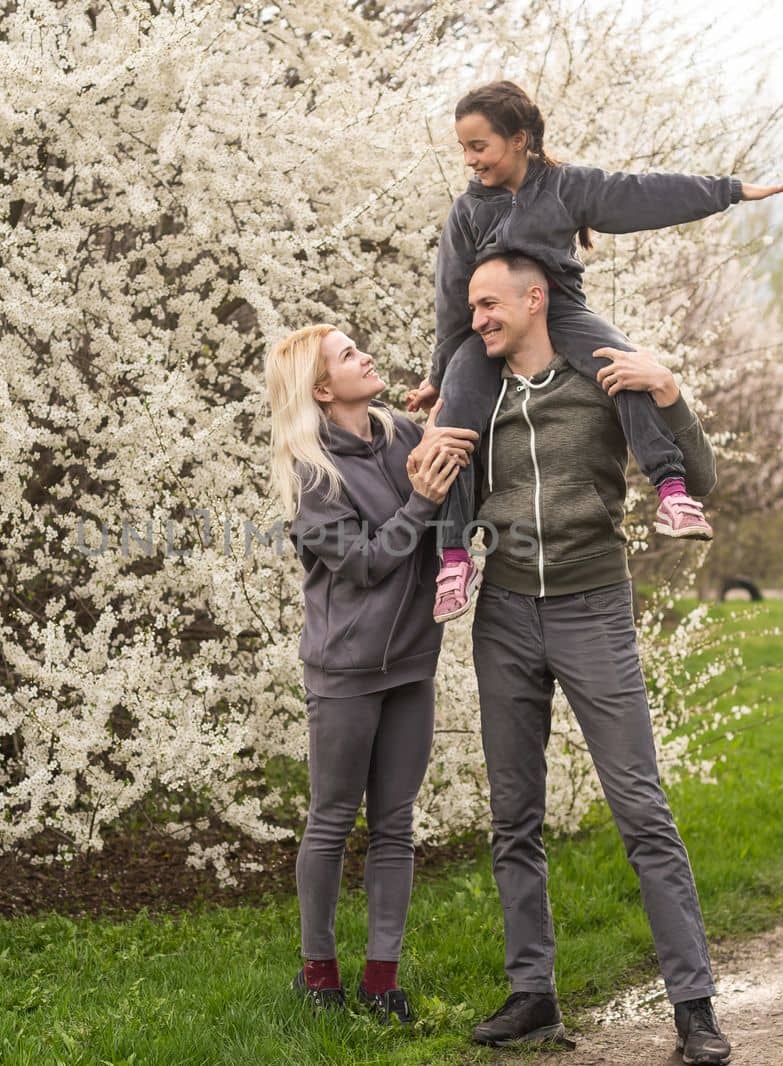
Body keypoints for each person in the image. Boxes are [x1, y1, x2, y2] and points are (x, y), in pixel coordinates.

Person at [408, 254, 733, 1065]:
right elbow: (432, 488)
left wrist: (668, 390)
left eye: (490, 304)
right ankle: (533, 996)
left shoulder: (601, 375)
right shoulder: (475, 398)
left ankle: (694, 1009)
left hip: (594, 607)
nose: (477, 317)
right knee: (513, 816)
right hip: (505, 614)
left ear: (534, 298)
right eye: (471, 305)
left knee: (640, 809)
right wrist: (421, 468)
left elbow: (701, 478)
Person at [405, 79, 783, 623]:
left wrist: (729, 191)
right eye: (464, 148)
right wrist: (441, 374)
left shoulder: (567, 188)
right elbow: (451, 301)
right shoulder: (468, 212)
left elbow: (642, 194)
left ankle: (675, 492)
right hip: (485, 331)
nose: (470, 160)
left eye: (479, 146)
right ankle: (452, 553)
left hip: (562, 312)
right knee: (453, 422)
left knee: (625, 368)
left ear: (518, 140)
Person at [265, 323, 478, 1024]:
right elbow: (362, 563)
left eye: (360, 346)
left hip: (413, 661)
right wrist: (419, 501)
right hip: (346, 670)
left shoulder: (400, 434)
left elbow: (464, 465)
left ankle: (382, 981)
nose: (367, 356)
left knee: (395, 823)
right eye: (349, 355)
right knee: (331, 821)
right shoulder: (310, 474)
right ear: (323, 390)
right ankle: (318, 973)